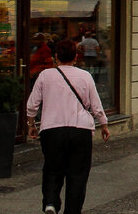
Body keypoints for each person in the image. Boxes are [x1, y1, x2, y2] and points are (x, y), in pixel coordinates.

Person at [26, 39, 110, 214]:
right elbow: (96, 105)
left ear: (56, 56)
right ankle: (72, 210)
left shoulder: (45, 75)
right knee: (78, 174)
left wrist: (31, 124)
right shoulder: (85, 76)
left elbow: (32, 104)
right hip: (81, 130)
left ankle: (51, 203)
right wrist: (103, 124)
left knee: (52, 168)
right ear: (76, 57)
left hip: (52, 129)